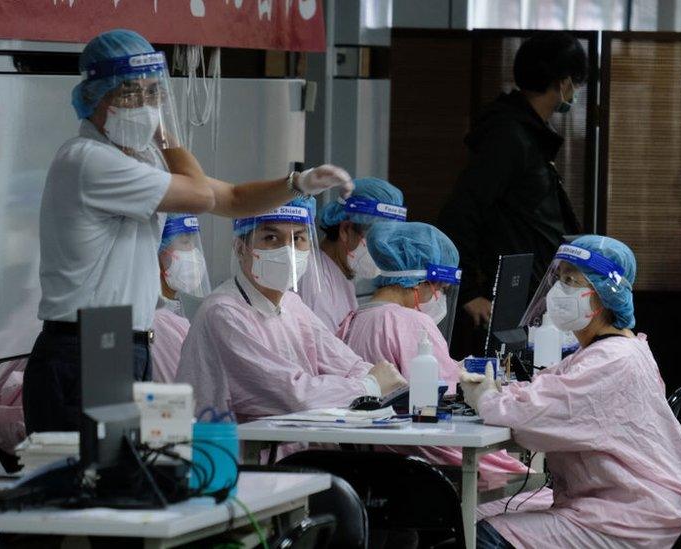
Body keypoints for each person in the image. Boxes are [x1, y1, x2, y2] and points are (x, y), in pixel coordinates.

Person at [23, 29, 354, 434]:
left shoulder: (136, 161)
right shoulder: (89, 160)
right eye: (130, 94)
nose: (145, 107)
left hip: (120, 342)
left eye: (152, 94)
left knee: (118, 481)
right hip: (92, 343)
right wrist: (168, 138)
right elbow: (200, 194)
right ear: (96, 97)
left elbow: (231, 198)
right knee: (91, 482)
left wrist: (296, 184)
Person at [462, 236, 681, 549]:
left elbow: (532, 417)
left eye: (570, 280)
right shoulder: (615, 351)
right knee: (480, 509)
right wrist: (501, 391)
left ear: (605, 293)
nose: (558, 291)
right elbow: (550, 389)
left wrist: (486, 397)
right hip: (628, 502)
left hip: (633, 517)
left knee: (486, 536)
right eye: (558, 278)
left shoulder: (612, 360)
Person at [175, 198, 407, 422]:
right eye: (271, 237)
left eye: (298, 238)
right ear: (240, 248)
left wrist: (374, 378)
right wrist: (370, 386)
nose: (288, 250)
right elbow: (294, 395)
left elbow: (346, 363)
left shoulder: (291, 304)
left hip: (287, 447)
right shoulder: (225, 312)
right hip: (231, 453)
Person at [337, 221, 529, 477]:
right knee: (526, 487)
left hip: (380, 461)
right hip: (428, 462)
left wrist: (454, 368)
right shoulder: (412, 321)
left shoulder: (354, 319)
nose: (439, 297)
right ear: (421, 283)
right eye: (440, 288)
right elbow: (452, 396)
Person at [438, 32, 583, 357]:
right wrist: (470, 292)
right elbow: (462, 212)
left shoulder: (527, 134)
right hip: (505, 294)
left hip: (530, 294)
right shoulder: (509, 137)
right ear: (563, 82)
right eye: (575, 81)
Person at [298, 177, 407, 332]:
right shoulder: (313, 276)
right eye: (375, 240)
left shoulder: (340, 276)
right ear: (346, 230)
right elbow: (321, 349)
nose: (383, 251)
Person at [152, 214, 210, 382]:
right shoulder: (160, 323)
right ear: (157, 251)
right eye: (185, 242)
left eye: (194, 242)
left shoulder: (171, 316)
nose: (195, 253)